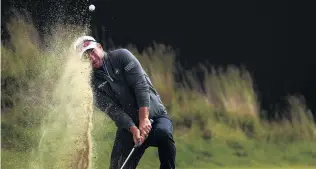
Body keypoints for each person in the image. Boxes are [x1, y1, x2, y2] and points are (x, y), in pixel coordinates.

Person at [73, 36, 176, 169]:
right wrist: (133, 129)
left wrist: (144, 119)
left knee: (164, 134)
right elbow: (113, 111)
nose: (91, 58)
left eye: (92, 52)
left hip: (154, 117)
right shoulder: (91, 83)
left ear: (100, 47)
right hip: (128, 127)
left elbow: (140, 86)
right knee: (117, 166)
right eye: (86, 56)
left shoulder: (122, 56)